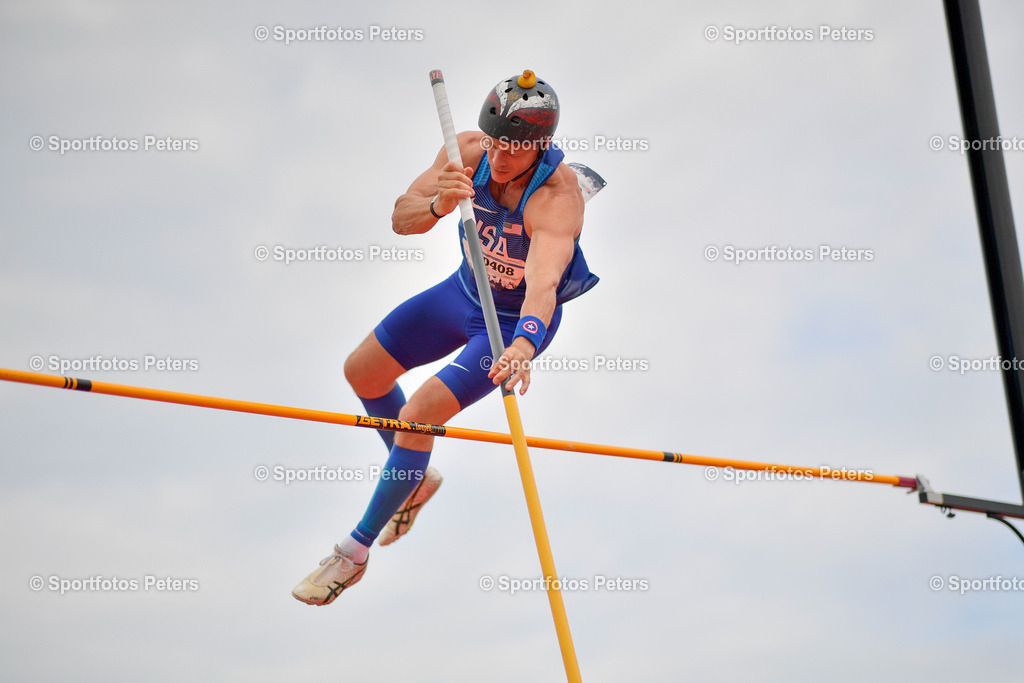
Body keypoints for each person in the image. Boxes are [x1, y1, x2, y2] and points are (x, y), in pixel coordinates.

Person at [292, 70, 600, 606]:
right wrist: (437, 205)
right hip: (461, 294)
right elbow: (400, 217)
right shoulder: (464, 152)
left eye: (516, 151)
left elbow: (543, 282)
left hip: (509, 324)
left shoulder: (557, 195)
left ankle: (353, 553)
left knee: (417, 415)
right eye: (496, 144)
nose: (500, 160)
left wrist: (525, 344)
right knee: (362, 371)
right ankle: (414, 476)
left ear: (542, 147)